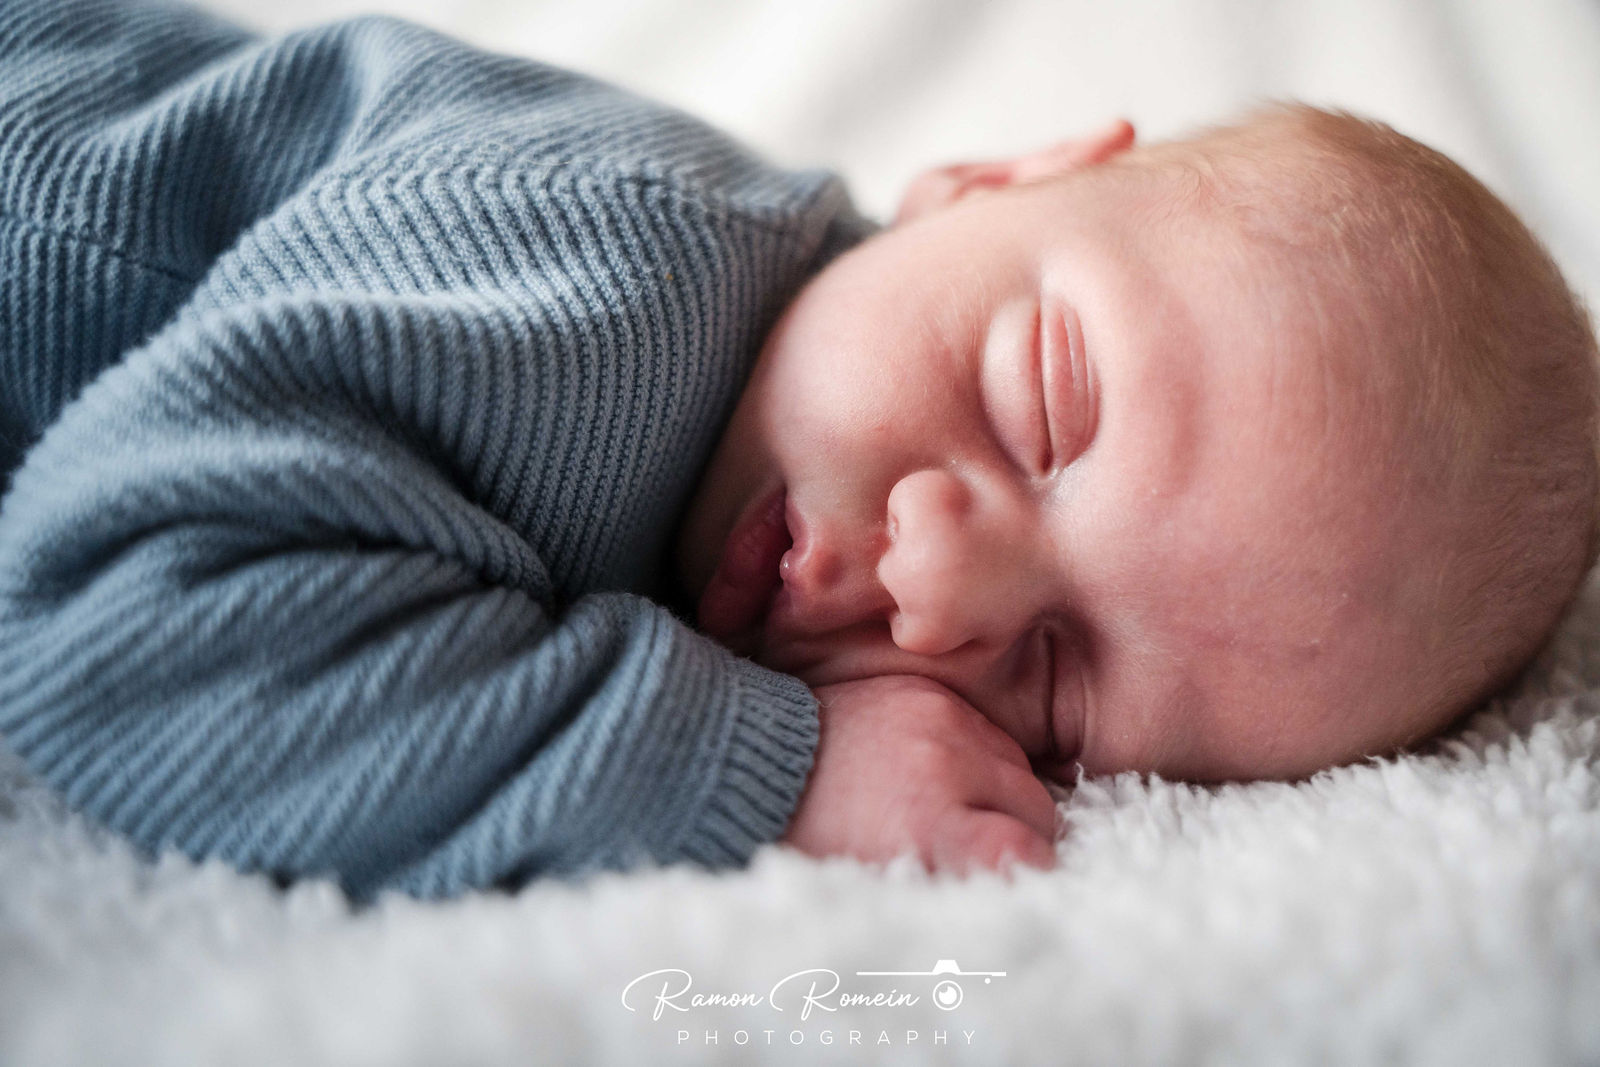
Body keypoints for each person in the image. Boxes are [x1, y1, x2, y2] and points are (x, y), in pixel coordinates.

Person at [0, 0, 1594, 901]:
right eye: (1040, 407)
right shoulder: (603, 263)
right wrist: (762, 768)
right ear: (991, 181)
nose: (939, 594)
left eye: (1054, 687)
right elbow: (116, 619)